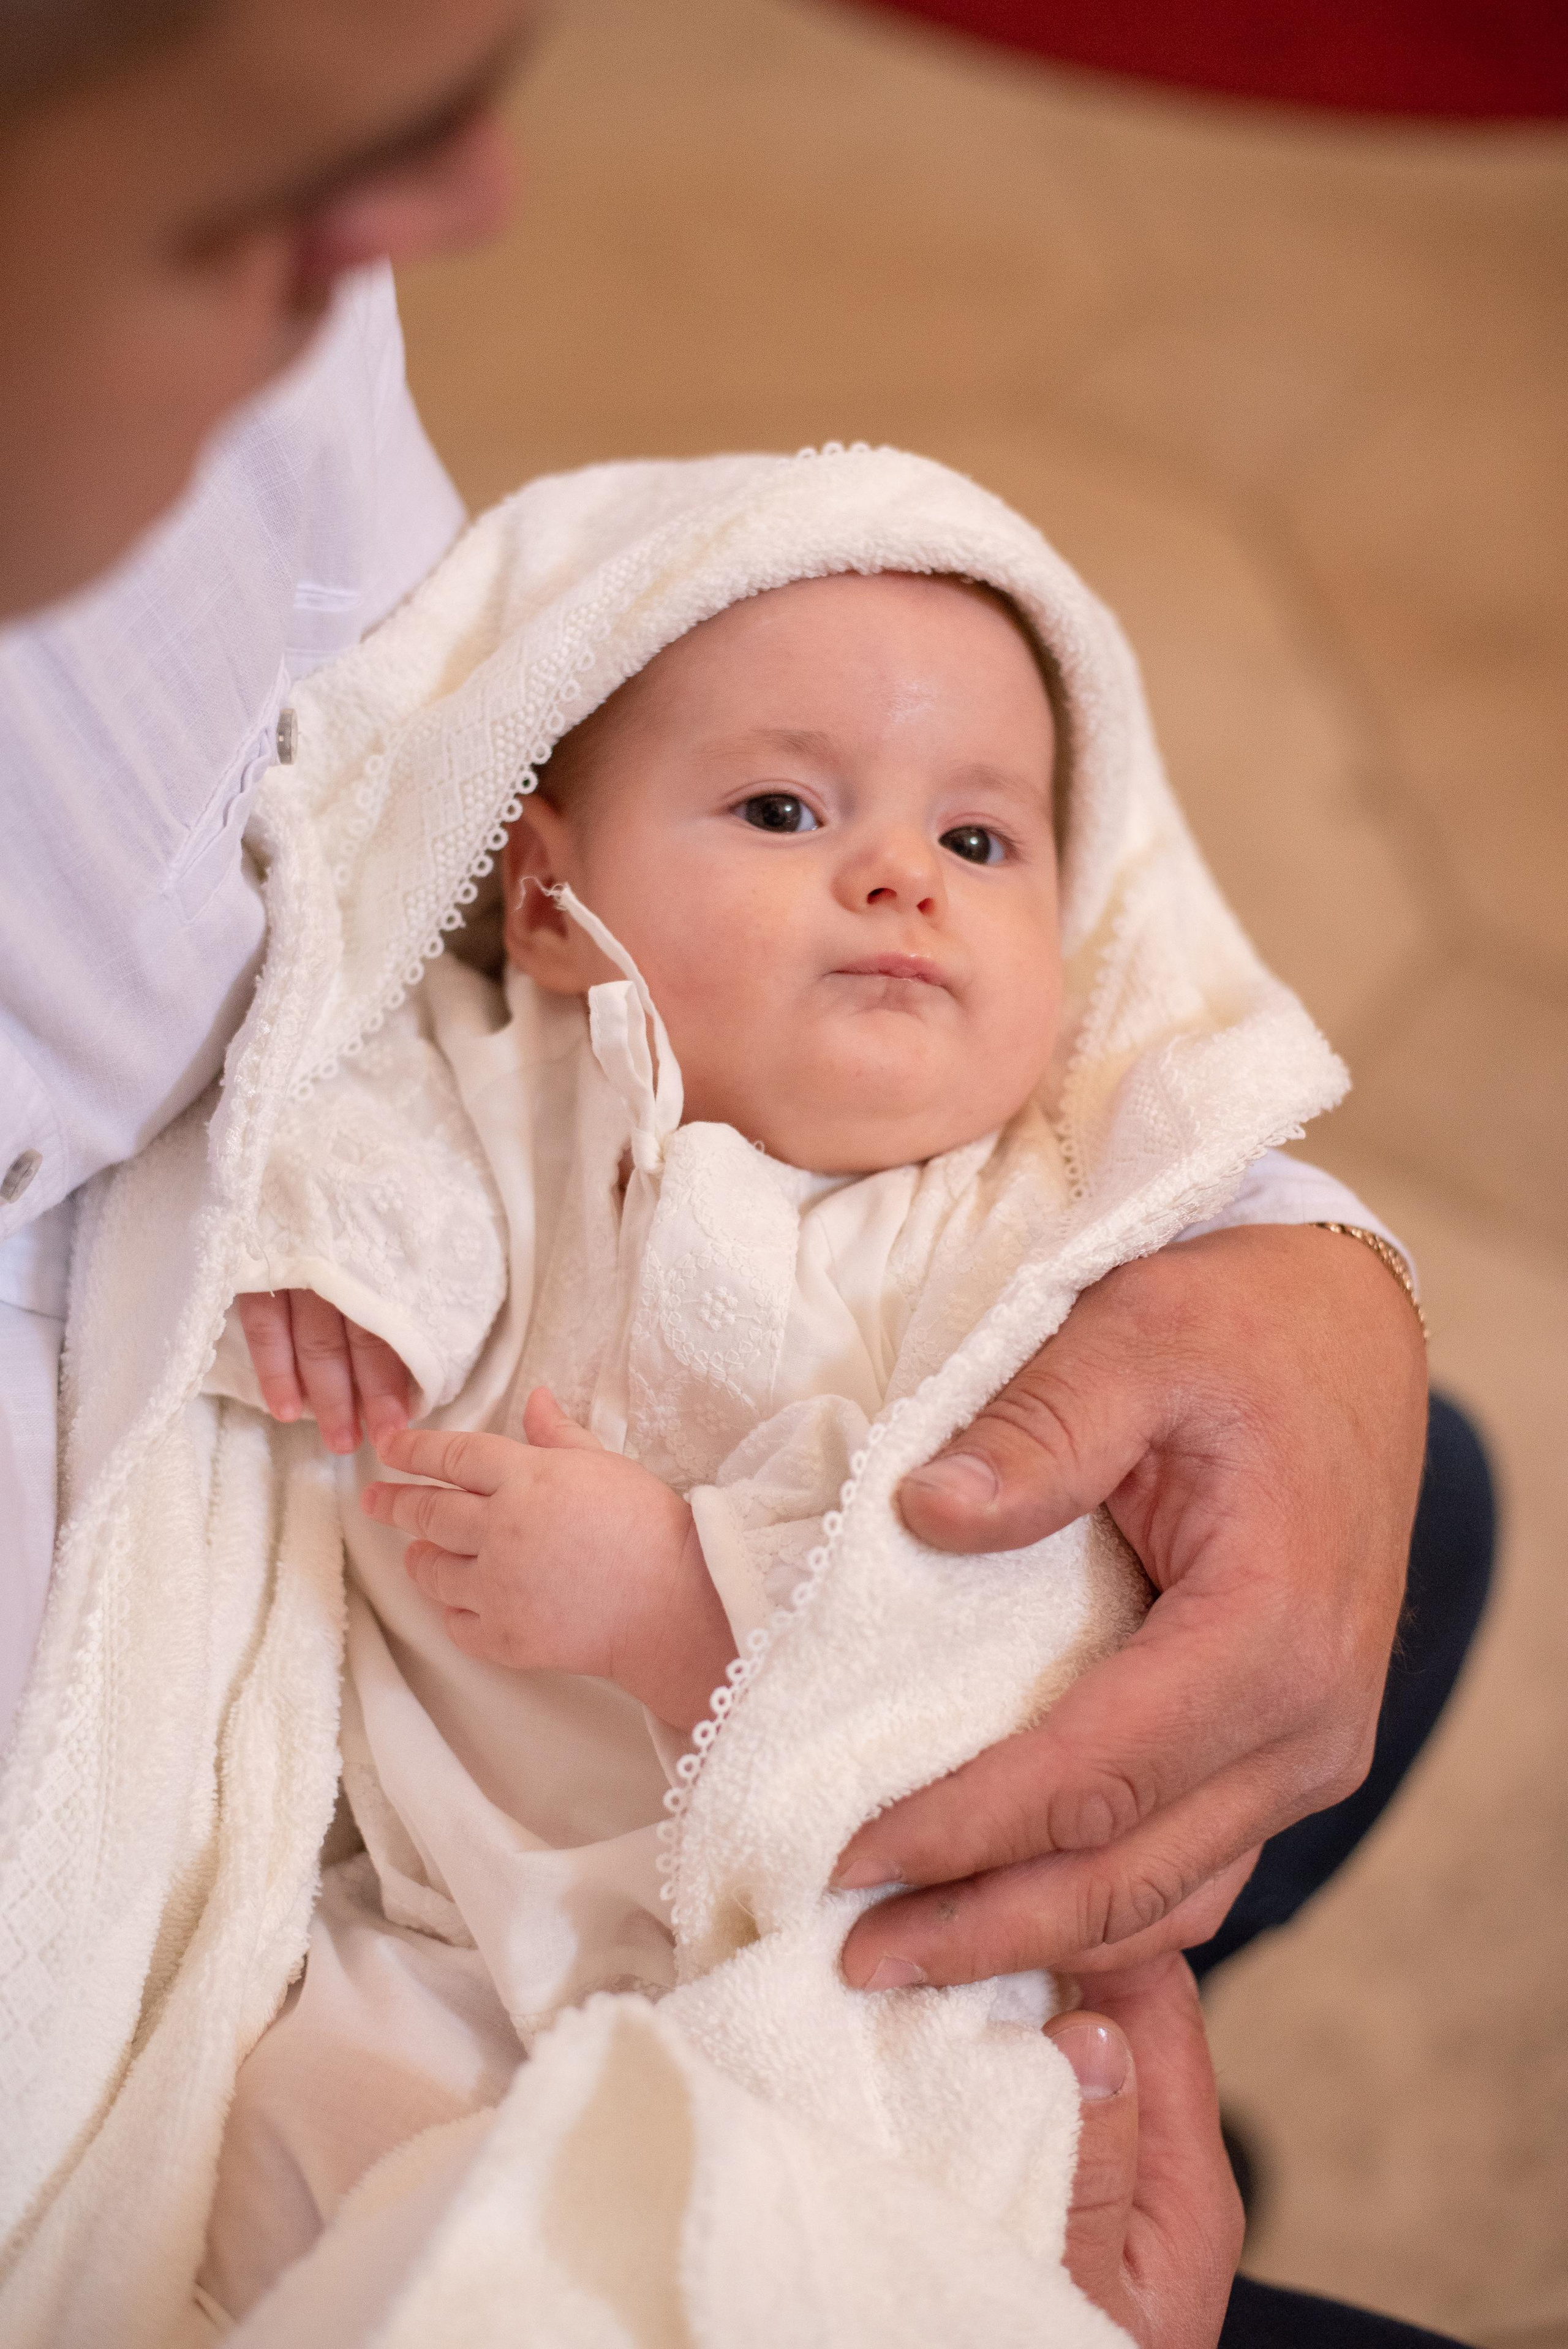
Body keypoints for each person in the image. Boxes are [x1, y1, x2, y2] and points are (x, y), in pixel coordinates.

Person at [0, 6, 1491, 2343]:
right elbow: (348, 1100)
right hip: (423, 1953)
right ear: (553, 882)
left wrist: (685, 1592)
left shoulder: (1008, 1230)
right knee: (344, 2179)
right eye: (788, 811)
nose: (896, 878)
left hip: (821, 1954)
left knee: (1438, 1526)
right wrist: (335, 1264)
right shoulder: (530, 1074)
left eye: (980, 838)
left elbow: (1013, 1649)